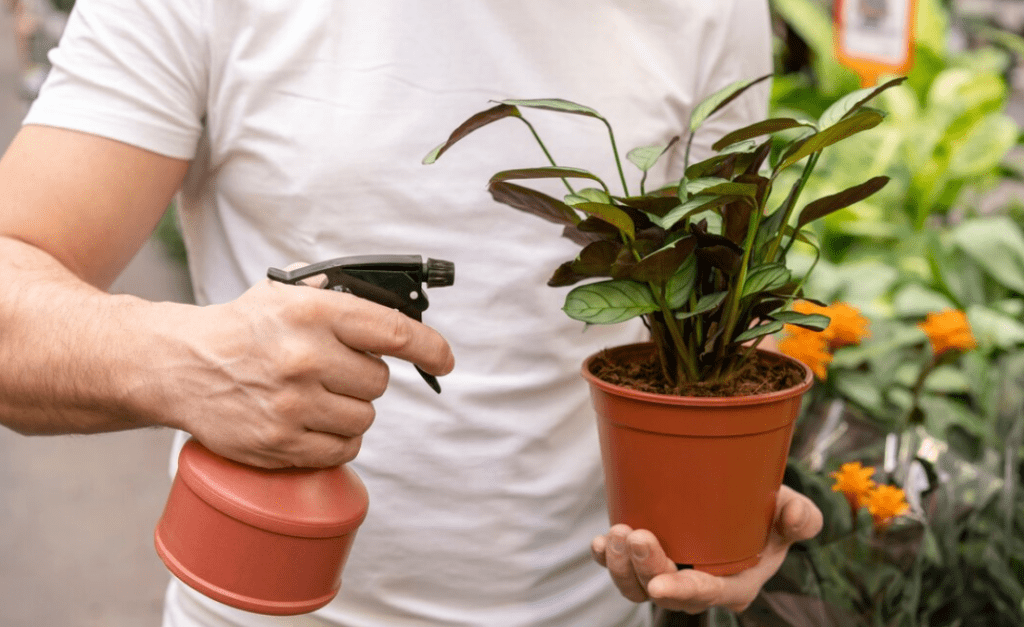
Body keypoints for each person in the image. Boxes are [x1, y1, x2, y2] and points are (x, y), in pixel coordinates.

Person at [0, 1, 823, 625]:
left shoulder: (710, 11)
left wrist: (731, 504)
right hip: (262, 604)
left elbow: (722, 298)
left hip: (593, 605)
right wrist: (184, 359)